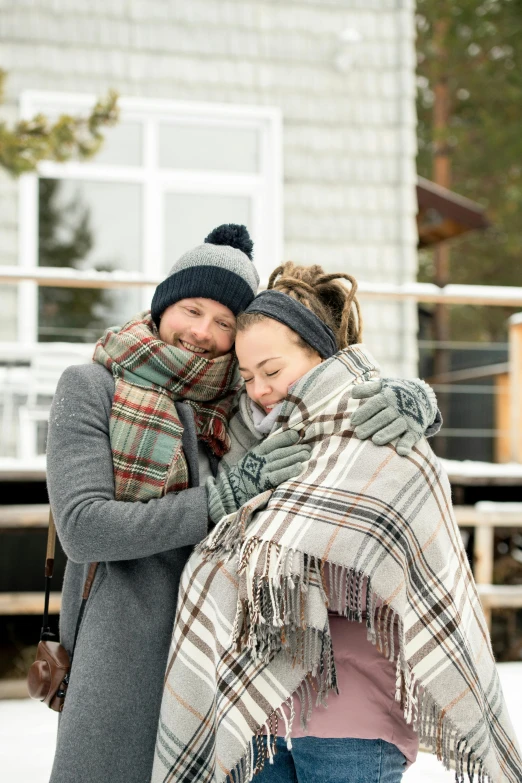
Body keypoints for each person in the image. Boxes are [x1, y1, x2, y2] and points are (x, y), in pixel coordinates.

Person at [153, 263, 522, 783]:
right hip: (254, 712)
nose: (259, 389)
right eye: (247, 375)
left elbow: (405, 568)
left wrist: (420, 403)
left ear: (319, 355)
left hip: (353, 709)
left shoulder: (379, 429)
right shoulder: (238, 438)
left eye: (273, 371)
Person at [46, 225, 311, 783]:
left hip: (219, 653)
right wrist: (220, 500)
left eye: (225, 323)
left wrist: (409, 403)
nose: (202, 333)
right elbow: (83, 528)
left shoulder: (245, 400)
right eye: (192, 310)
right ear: (164, 304)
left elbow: (333, 391)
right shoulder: (92, 387)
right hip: (120, 656)